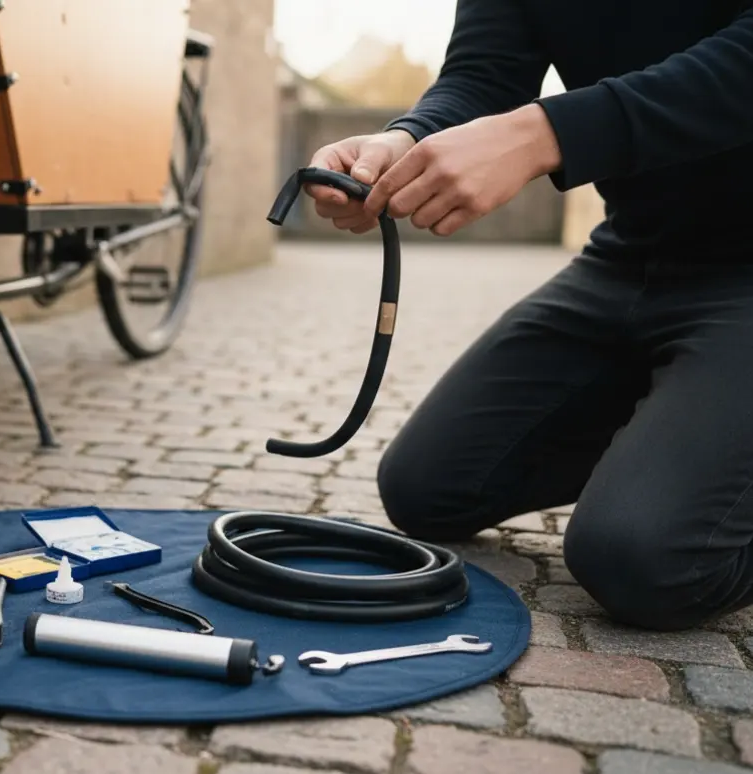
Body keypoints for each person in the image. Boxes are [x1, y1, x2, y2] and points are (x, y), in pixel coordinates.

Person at [304, 0, 753, 632]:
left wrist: (545, 133)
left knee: (644, 562)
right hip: (632, 253)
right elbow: (484, 75)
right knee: (428, 489)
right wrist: (402, 141)